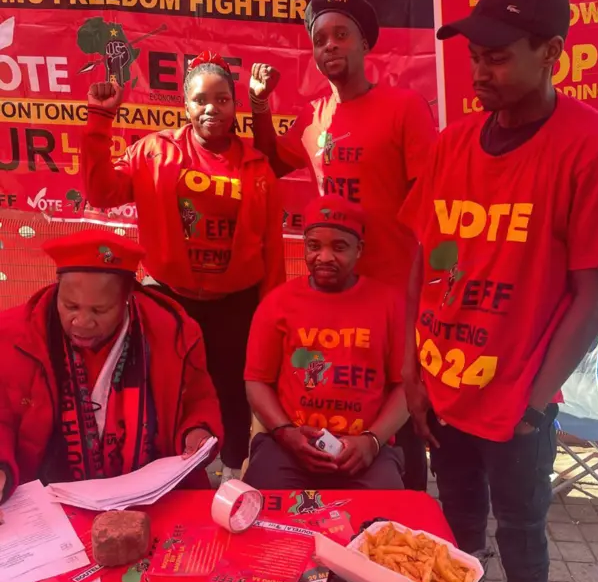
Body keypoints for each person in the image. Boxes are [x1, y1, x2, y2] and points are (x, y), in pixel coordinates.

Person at [400, 0, 598, 582]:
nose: (480, 71)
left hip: (517, 404)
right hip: (443, 390)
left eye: (498, 56)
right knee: (454, 536)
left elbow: (594, 295)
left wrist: (534, 405)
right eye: (475, 56)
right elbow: (421, 262)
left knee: (523, 537)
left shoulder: (595, 146)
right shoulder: (452, 142)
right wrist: (410, 372)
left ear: (551, 51)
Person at [249, 0, 438, 491]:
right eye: (319, 39)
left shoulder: (404, 108)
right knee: (334, 400)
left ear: (364, 44)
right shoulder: (314, 118)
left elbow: (430, 201)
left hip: (396, 292)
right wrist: (257, 105)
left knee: (400, 414)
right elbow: (274, 155)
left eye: (340, 35)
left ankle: (408, 523)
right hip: (334, 292)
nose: (329, 46)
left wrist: (424, 289)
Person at [81, 51, 285, 482]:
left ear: (235, 105)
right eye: (200, 99)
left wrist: (271, 312)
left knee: (232, 388)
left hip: (235, 304)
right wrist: (100, 119)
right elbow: (100, 193)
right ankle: (168, 471)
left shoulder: (257, 166)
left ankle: (232, 471)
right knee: (165, 385)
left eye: (223, 99)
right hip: (167, 297)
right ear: (185, 105)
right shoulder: (154, 151)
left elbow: (271, 249)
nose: (212, 108)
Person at [0, 231, 225, 504]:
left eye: (99, 310)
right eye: (70, 306)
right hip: (49, 494)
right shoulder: (13, 335)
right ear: (57, 288)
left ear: (128, 297)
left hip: (151, 494)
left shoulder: (173, 333)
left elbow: (198, 399)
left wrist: (196, 432)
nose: (81, 322)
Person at [243, 196, 407, 489]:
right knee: (262, 513)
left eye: (339, 247)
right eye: (314, 246)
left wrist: (372, 441)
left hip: (365, 451)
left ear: (360, 250)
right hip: (288, 448)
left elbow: (406, 387)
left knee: (386, 523)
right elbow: (256, 381)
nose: (325, 257)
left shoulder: (391, 305)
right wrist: (284, 432)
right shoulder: (277, 304)